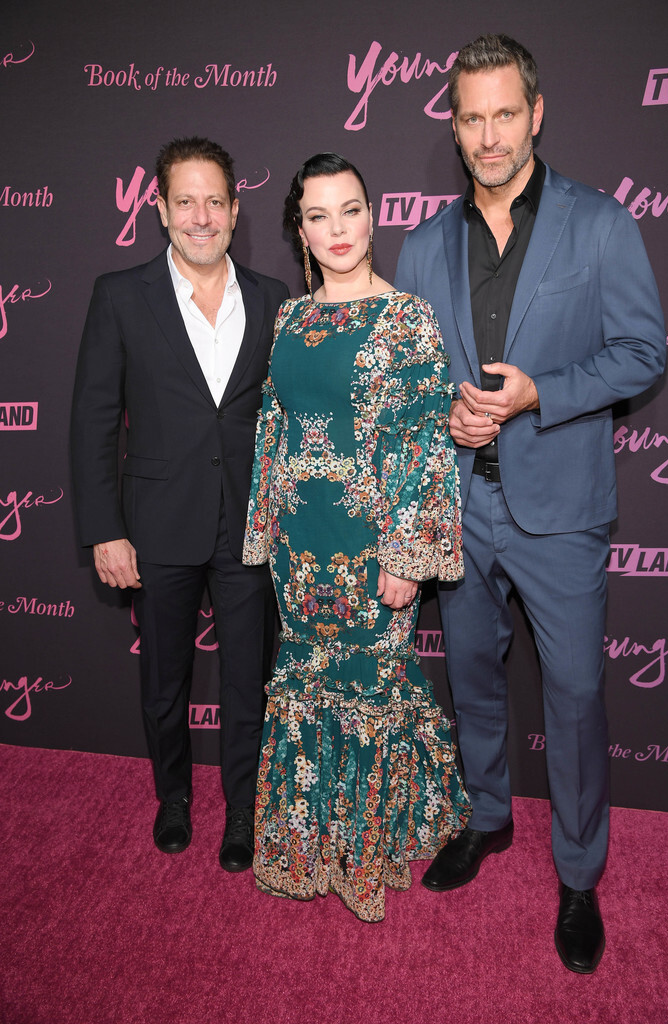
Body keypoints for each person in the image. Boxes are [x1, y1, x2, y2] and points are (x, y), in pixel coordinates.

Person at [395, 35, 666, 972]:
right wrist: (447, 411)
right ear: (453, 126)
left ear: (535, 114)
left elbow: (641, 353)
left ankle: (579, 874)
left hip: (561, 511)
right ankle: (485, 817)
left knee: (577, 694)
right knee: (470, 679)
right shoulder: (423, 244)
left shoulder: (600, 223)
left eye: (504, 114)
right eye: (470, 118)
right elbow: (408, 379)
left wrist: (536, 393)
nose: (488, 136)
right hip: (460, 508)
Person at [242, 153, 471, 922]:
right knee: (306, 686)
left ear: (372, 217)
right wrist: (265, 531)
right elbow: (273, 427)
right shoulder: (290, 318)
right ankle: (305, 845)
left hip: (372, 550)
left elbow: (422, 443)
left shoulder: (406, 318)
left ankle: (363, 850)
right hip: (299, 545)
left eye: (349, 210)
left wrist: (407, 556)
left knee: (368, 690)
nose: (336, 229)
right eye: (318, 215)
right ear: (300, 231)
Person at [71, 137, 288, 872]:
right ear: (160, 209)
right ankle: (173, 797)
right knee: (164, 684)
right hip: (156, 524)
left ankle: (242, 810)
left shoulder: (273, 299)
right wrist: (104, 530)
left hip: (248, 526)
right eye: (186, 201)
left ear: (235, 209)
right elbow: (94, 421)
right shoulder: (119, 294)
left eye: (214, 201)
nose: (201, 216)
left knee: (247, 681)